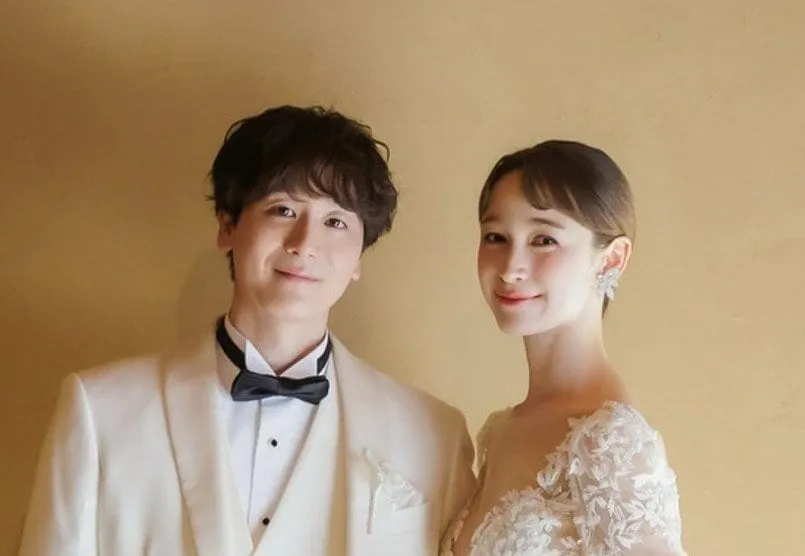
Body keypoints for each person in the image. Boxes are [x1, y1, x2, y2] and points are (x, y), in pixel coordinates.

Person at [20, 105, 475, 556]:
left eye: (335, 221)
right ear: (227, 226)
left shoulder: (433, 433)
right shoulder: (100, 410)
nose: (304, 244)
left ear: (359, 257)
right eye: (283, 210)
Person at [440, 140, 687, 555]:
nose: (510, 268)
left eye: (543, 240)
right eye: (496, 237)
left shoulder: (611, 444)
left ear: (611, 259)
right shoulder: (500, 432)